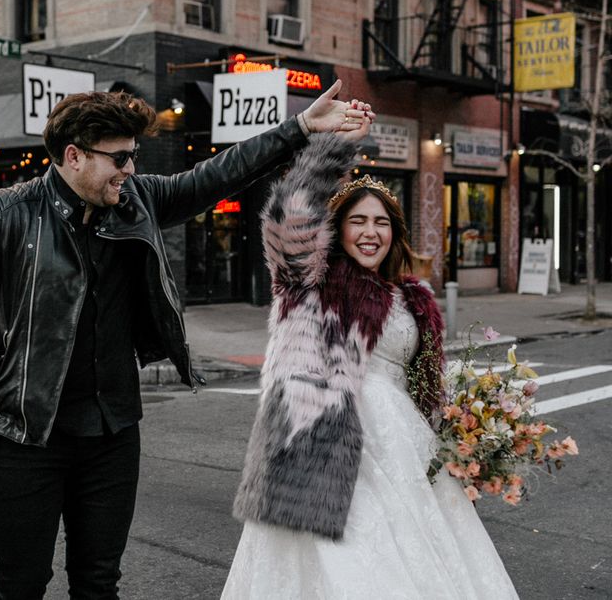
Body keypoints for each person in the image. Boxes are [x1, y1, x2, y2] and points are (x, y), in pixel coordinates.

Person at [0, 82, 368, 599]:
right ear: (74, 155)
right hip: (27, 437)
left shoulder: (138, 201)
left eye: (135, 156)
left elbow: (218, 173)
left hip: (113, 432)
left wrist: (301, 127)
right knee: (21, 582)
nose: (130, 169)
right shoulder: (5, 213)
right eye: (121, 157)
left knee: (99, 581)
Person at [222, 132, 520, 599]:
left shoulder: (414, 298)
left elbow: (424, 382)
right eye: (357, 220)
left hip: (406, 449)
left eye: (381, 223)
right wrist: (327, 145)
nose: (369, 232)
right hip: (323, 454)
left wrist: (464, 430)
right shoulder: (313, 285)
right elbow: (286, 221)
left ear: (394, 233)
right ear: (336, 229)